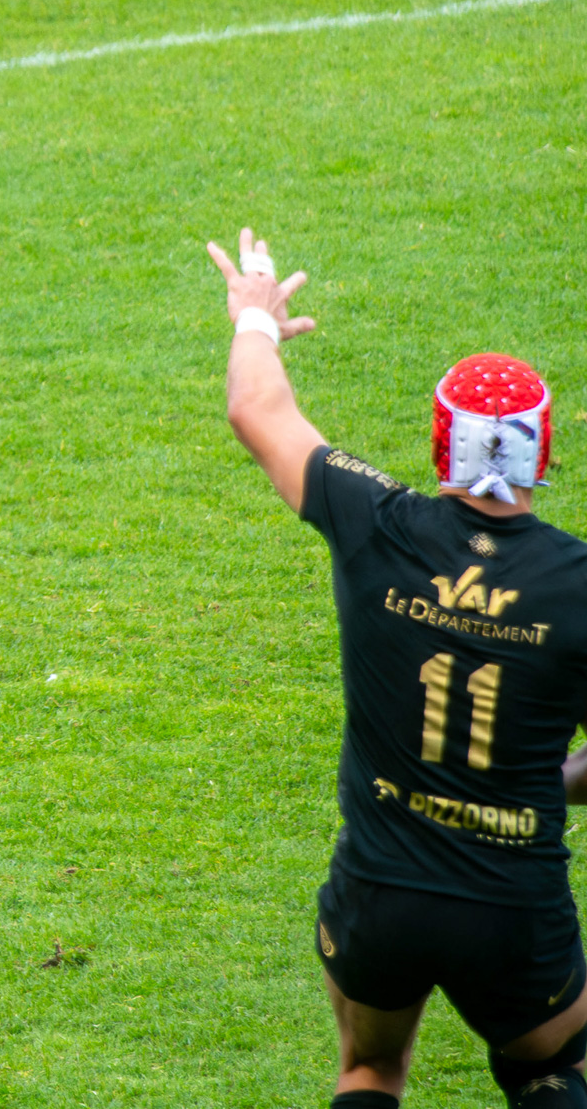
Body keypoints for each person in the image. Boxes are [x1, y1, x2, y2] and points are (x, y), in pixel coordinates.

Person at [213, 226, 587, 1107]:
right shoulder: (577, 583)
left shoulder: (374, 521)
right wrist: (552, 779)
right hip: (514, 904)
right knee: (549, 1066)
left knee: (370, 1070)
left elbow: (257, 412)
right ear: (540, 451)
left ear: (439, 444)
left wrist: (255, 319)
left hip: (379, 895)